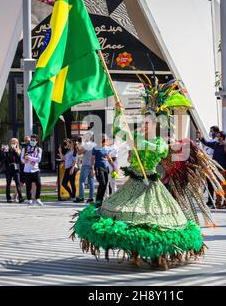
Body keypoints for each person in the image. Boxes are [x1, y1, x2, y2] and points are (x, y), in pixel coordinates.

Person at [71, 79, 205, 269]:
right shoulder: (136, 136)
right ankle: (135, 254)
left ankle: (157, 255)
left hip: (149, 185)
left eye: (148, 122)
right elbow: (118, 130)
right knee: (127, 218)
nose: (144, 124)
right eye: (144, 121)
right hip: (133, 182)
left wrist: (140, 143)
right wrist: (119, 111)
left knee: (152, 220)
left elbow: (161, 152)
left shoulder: (158, 141)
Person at [197, 130, 226, 209]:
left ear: (222, 137)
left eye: (218, 136)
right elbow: (206, 143)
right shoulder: (215, 144)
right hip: (215, 170)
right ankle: (218, 203)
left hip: (224, 171)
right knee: (217, 187)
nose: (217, 137)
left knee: (225, 188)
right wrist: (200, 136)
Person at [90, 135, 115, 207]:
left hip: (106, 168)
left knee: (105, 183)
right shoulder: (95, 148)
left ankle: (101, 201)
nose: (107, 141)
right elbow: (92, 159)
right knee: (102, 183)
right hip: (98, 167)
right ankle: (98, 201)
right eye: (106, 140)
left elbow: (109, 159)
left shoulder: (107, 148)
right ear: (102, 141)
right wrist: (92, 169)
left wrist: (114, 167)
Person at [0, 138, 23, 203]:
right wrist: (3, 151)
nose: (13, 144)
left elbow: (19, 159)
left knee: (18, 183)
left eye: (15, 143)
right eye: (12, 142)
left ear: (17, 143)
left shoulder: (18, 150)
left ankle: (20, 197)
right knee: (8, 183)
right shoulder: (7, 150)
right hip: (9, 168)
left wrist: (15, 151)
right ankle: (8, 198)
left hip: (16, 168)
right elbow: (2, 158)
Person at [21, 134, 43, 206]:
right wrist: (25, 161)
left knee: (39, 184)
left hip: (35, 169)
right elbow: (22, 158)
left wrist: (29, 158)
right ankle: (29, 199)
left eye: (34, 140)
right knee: (28, 185)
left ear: (37, 141)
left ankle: (37, 198)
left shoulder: (39, 149)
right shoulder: (25, 148)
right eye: (31, 140)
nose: (32, 141)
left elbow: (38, 159)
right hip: (27, 170)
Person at [75, 132, 96, 203]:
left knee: (82, 181)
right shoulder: (94, 145)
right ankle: (91, 197)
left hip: (86, 164)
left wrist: (77, 147)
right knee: (91, 182)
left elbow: (79, 152)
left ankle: (81, 197)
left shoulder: (87, 145)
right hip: (92, 164)